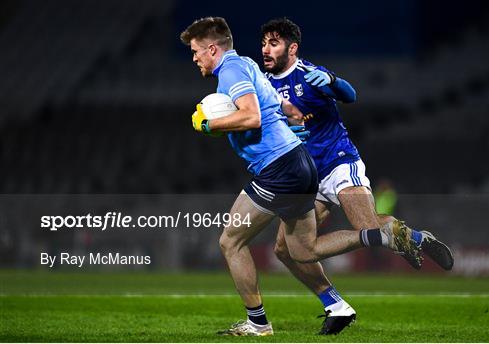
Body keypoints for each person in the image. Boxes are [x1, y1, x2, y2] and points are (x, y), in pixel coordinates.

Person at [180, 16, 422, 336]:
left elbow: (251, 117)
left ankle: (258, 324)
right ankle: (375, 239)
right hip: (299, 163)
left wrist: (209, 125)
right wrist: (288, 127)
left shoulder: (232, 70)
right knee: (301, 251)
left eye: (196, 51)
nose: (194, 57)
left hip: (278, 169)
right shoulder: (248, 65)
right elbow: (290, 110)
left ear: (212, 49)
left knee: (231, 242)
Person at [261, 17, 454, 334]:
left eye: (274, 43)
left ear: (291, 48)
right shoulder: (265, 82)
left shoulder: (309, 74)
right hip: (307, 176)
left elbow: (349, 95)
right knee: (284, 249)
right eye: (265, 43)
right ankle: (335, 305)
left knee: (366, 227)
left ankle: (419, 238)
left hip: (338, 163)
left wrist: (333, 81)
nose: (266, 49)